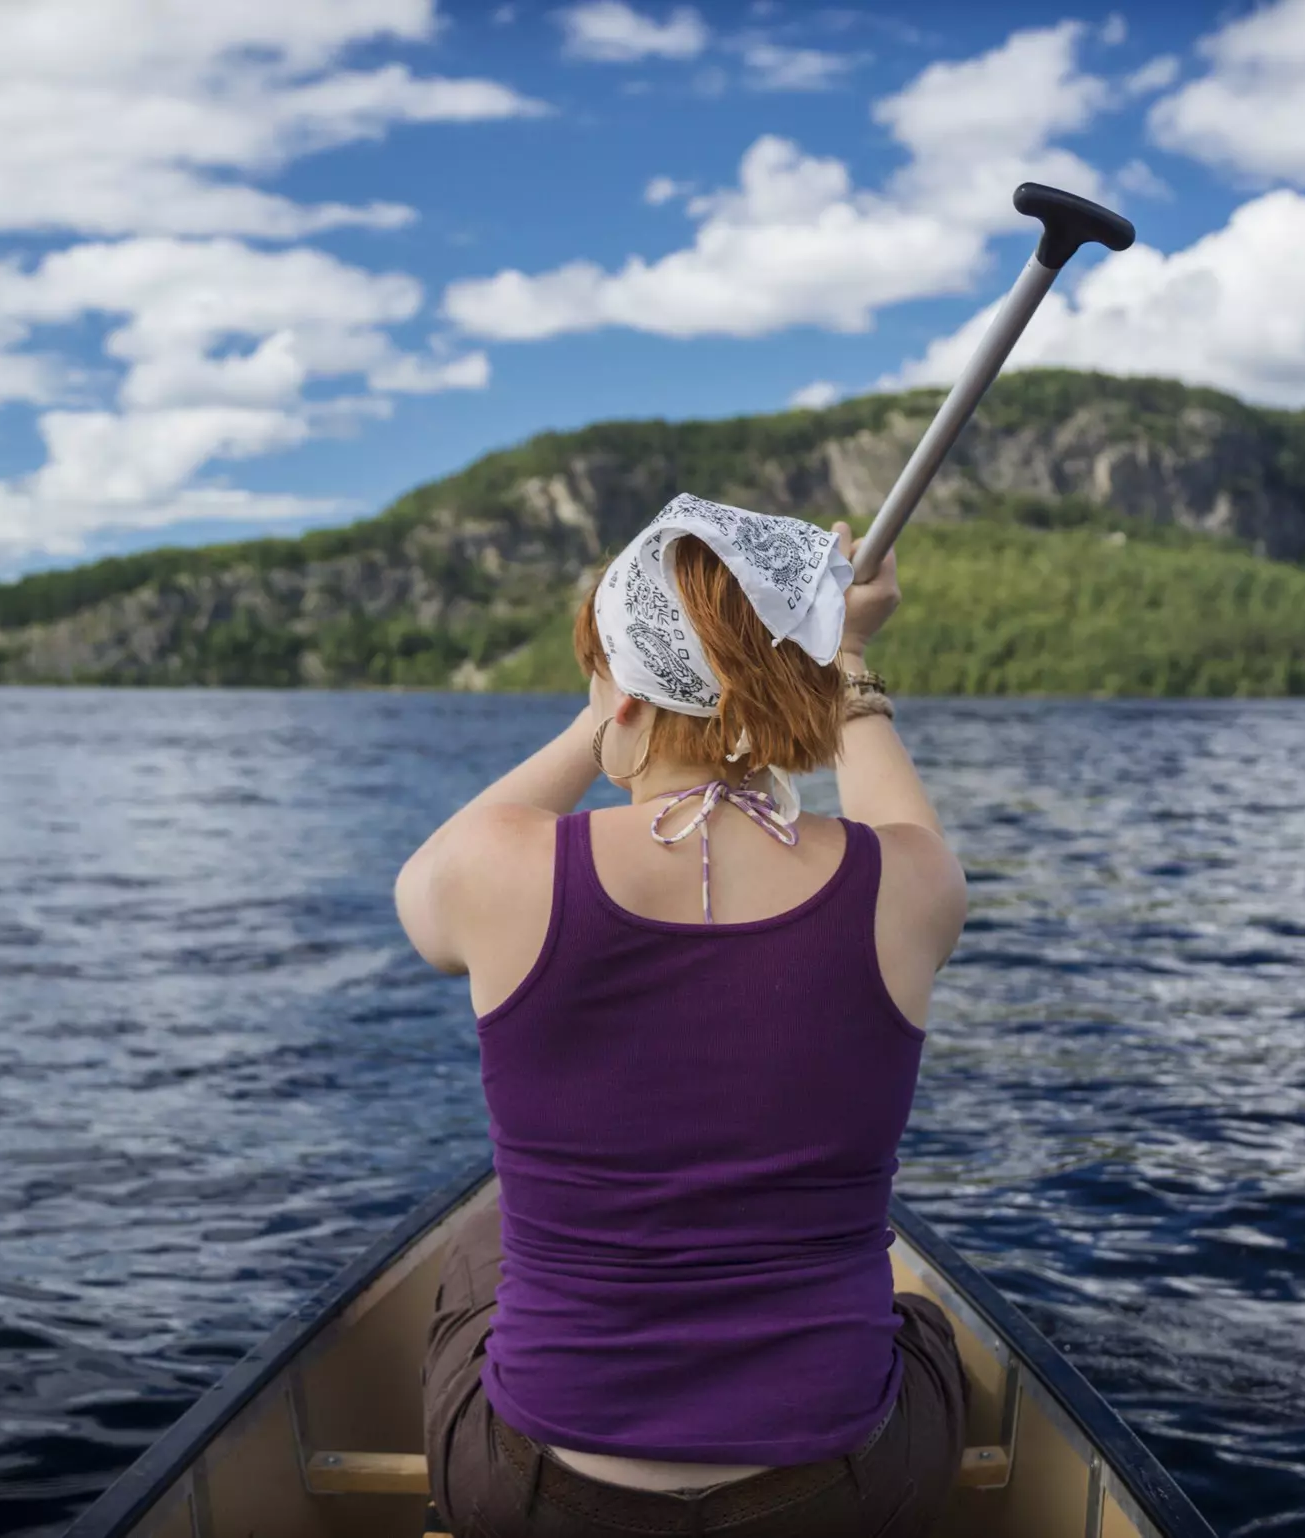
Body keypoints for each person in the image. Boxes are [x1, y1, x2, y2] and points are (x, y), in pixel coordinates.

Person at [395, 493, 970, 1538]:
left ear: (617, 687)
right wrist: (841, 657)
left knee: (480, 1243)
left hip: (535, 1494)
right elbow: (896, 818)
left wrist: (608, 708)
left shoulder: (495, 869)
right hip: (832, 1495)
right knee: (923, 1322)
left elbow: (419, 892)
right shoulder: (909, 884)